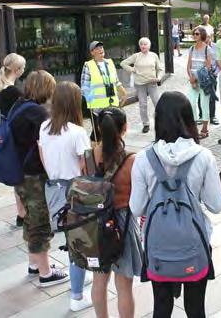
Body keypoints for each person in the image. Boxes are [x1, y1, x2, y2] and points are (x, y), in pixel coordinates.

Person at [130, 91, 221, 318]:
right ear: (188, 119)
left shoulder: (143, 159)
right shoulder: (203, 156)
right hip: (194, 244)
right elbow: (216, 205)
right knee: (195, 309)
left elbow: (136, 208)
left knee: (161, 308)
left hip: (157, 246)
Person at [11, 71, 70, 287]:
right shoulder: (37, 113)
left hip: (21, 173)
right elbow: (48, 144)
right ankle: (46, 274)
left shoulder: (19, 105)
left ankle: (34, 264)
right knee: (40, 222)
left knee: (30, 219)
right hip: (33, 175)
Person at [38, 81, 93, 310]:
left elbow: (42, 155)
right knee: (78, 243)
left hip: (53, 188)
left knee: (71, 239)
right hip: (76, 189)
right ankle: (77, 296)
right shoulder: (78, 132)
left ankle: (78, 278)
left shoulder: (44, 126)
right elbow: (86, 167)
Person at [90, 107, 142, 318]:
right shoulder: (131, 160)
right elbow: (138, 198)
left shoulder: (89, 156)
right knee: (124, 286)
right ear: (124, 128)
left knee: (99, 282)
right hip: (123, 222)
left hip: (96, 223)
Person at [0, 53, 27, 227]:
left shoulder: (3, 88)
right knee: (22, 177)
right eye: (22, 67)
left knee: (18, 178)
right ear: (17, 70)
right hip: (18, 137)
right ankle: (24, 212)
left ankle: (21, 213)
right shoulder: (13, 91)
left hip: (10, 137)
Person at [81, 41, 127, 141]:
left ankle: (113, 149)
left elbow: (116, 81)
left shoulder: (109, 63)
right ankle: (95, 151)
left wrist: (123, 91)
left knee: (113, 129)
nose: (101, 49)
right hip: (97, 107)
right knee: (98, 133)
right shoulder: (88, 65)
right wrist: (89, 100)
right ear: (92, 52)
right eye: (97, 48)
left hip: (111, 104)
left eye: (101, 47)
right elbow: (84, 87)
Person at [121, 37, 164, 133]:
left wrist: (159, 77)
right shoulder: (136, 56)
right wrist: (132, 70)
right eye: (141, 44)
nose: (143, 46)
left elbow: (160, 69)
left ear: (149, 46)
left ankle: (161, 122)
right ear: (139, 46)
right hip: (140, 84)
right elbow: (123, 63)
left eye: (145, 44)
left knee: (157, 103)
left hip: (152, 82)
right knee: (143, 104)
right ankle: (146, 124)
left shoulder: (154, 56)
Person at [187, 27, 212, 139]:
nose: (194, 35)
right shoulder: (191, 48)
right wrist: (191, 78)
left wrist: (197, 79)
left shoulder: (207, 49)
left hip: (204, 81)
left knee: (204, 104)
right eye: (194, 33)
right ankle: (194, 128)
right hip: (193, 80)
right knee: (191, 103)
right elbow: (188, 65)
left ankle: (205, 129)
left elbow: (208, 66)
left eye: (197, 33)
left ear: (202, 35)